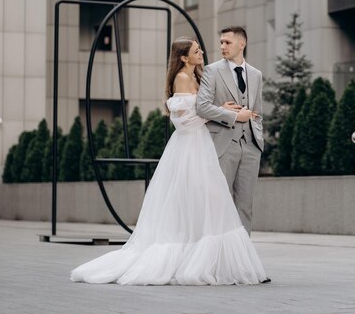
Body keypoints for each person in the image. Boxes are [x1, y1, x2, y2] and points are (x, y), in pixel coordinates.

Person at [70, 37, 267, 286]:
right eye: (196, 50)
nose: (202, 52)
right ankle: (194, 260)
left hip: (202, 145)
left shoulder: (196, 76)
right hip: (189, 147)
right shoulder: (182, 79)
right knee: (195, 201)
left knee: (206, 203)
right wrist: (230, 115)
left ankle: (208, 260)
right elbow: (183, 121)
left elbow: (203, 108)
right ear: (184, 57)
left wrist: (220, 109)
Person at [196, 26, 264, 235]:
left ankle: (242, 260)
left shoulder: (256, 74)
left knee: (245, 206)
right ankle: (219, 257)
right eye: (221, 42)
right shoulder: (212, 70)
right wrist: (233, 116)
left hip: (251, 146)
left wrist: (258, 138)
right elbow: (202, 106)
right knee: (219, 205)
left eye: (228, 42)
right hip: (223, 145)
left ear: (241, 44)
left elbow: (258, 112)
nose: (222, 46)